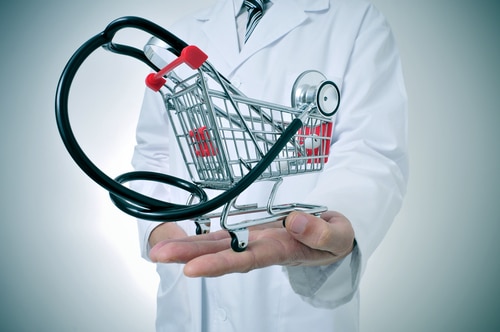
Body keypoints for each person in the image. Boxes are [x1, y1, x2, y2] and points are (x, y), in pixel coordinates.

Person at [132, 0, 408, 331]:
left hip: (292, 303)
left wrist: (333, 223)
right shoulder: (183, 32)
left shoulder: (356, 20)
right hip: (189, 296)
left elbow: (370, 148)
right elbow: (155, 151)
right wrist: (160, 230)